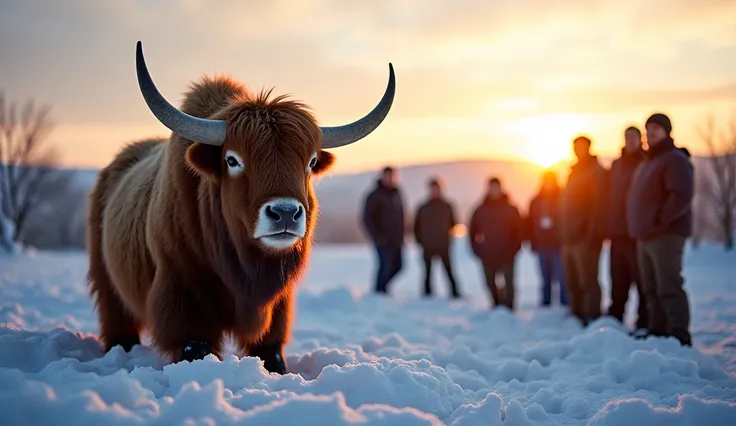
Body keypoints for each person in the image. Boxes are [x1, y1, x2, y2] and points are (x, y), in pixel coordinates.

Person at [627, 113, 694, 347]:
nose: (650, 133)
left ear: (667, 131)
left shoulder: (674, 159)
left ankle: (679, 336)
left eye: (656, 128)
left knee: (668, 286)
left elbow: (682, 195)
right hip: (645, 236)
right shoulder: (649, 161)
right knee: (651, 288)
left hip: (665, 235)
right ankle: (657, 331)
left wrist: (660, 220)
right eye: (648, 129)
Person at [604, 126, 648, 335]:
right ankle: (615, 319)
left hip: (637, 234)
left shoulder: (646, 162)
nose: (630, 141)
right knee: (617, 279)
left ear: (641, 140)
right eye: (627, 137)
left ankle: (644, 321)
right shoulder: (616, 165)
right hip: (616, 233)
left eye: (634, 137)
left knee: (641, 280)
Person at [559, 136, 607, 326]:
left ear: (588, 148)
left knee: (588, 280)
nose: (577, 150)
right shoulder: (573, 172)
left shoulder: (596, 172)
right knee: (573, 280)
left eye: (581, 147)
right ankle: (577, 313)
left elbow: (598, 206)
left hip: (586, 238)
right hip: (568, 237)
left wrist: (591, 234)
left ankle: (593, 316)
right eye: (575, 147)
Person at [469, 177, 523, 310]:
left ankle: (509, 308)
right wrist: (478, 250)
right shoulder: (481, 209)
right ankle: (496, 304)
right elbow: (472, 231)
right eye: (491, 187)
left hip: (507, 253)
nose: (494, 190)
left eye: (496, 187)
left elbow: (520, 231)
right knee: (489, 282)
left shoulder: (511, 209)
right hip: (488, 253)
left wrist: (514, 249)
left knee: (509, 283)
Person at [413, 177, 461, 298]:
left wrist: (450, 238)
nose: (435, 191)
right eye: (432, 189)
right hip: (427, 245)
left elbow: (454, 224)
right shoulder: (423, 207)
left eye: (437, 189)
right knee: (427, 272)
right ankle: (427, 293)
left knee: (449, 271)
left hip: (443, 244)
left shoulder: (447, 206)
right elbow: (416, 226)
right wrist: (420, 241)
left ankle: (455, 292)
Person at [362, 166, 406, 295]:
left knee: (399, 266)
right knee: (385, 266)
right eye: (388, 176)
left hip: (396, 239)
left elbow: (401, 215)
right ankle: (379, 292)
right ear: (383, 176)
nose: (390, 179)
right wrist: (376, 235)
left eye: (393, 176)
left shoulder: (397, 193)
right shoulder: (375, 196)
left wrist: (403, 234)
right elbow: (367, 218)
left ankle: (383, 287)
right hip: (382, 240)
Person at [527, 170, 568, 307]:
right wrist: (532, 241)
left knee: (562, 277)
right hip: (541, 245)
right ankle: (546, 304)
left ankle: (564, 304)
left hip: (558, 245)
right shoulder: (536, 200)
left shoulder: (562, 198)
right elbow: (529, 223)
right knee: (545, 278)